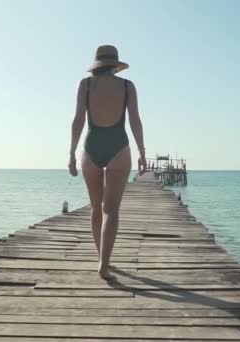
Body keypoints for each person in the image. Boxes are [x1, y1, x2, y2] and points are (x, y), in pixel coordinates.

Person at [68, 45, 147, 279]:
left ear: (96, 65)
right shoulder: (126, 86)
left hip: (91, 147)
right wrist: (142, 152)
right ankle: (104, 263)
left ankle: (100, 258)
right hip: (119, 148)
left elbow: (78, 120)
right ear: (115, 65)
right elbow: (135, 121)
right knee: (110, 211)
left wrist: (71, 153)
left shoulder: (86, 84)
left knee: (96, 208)